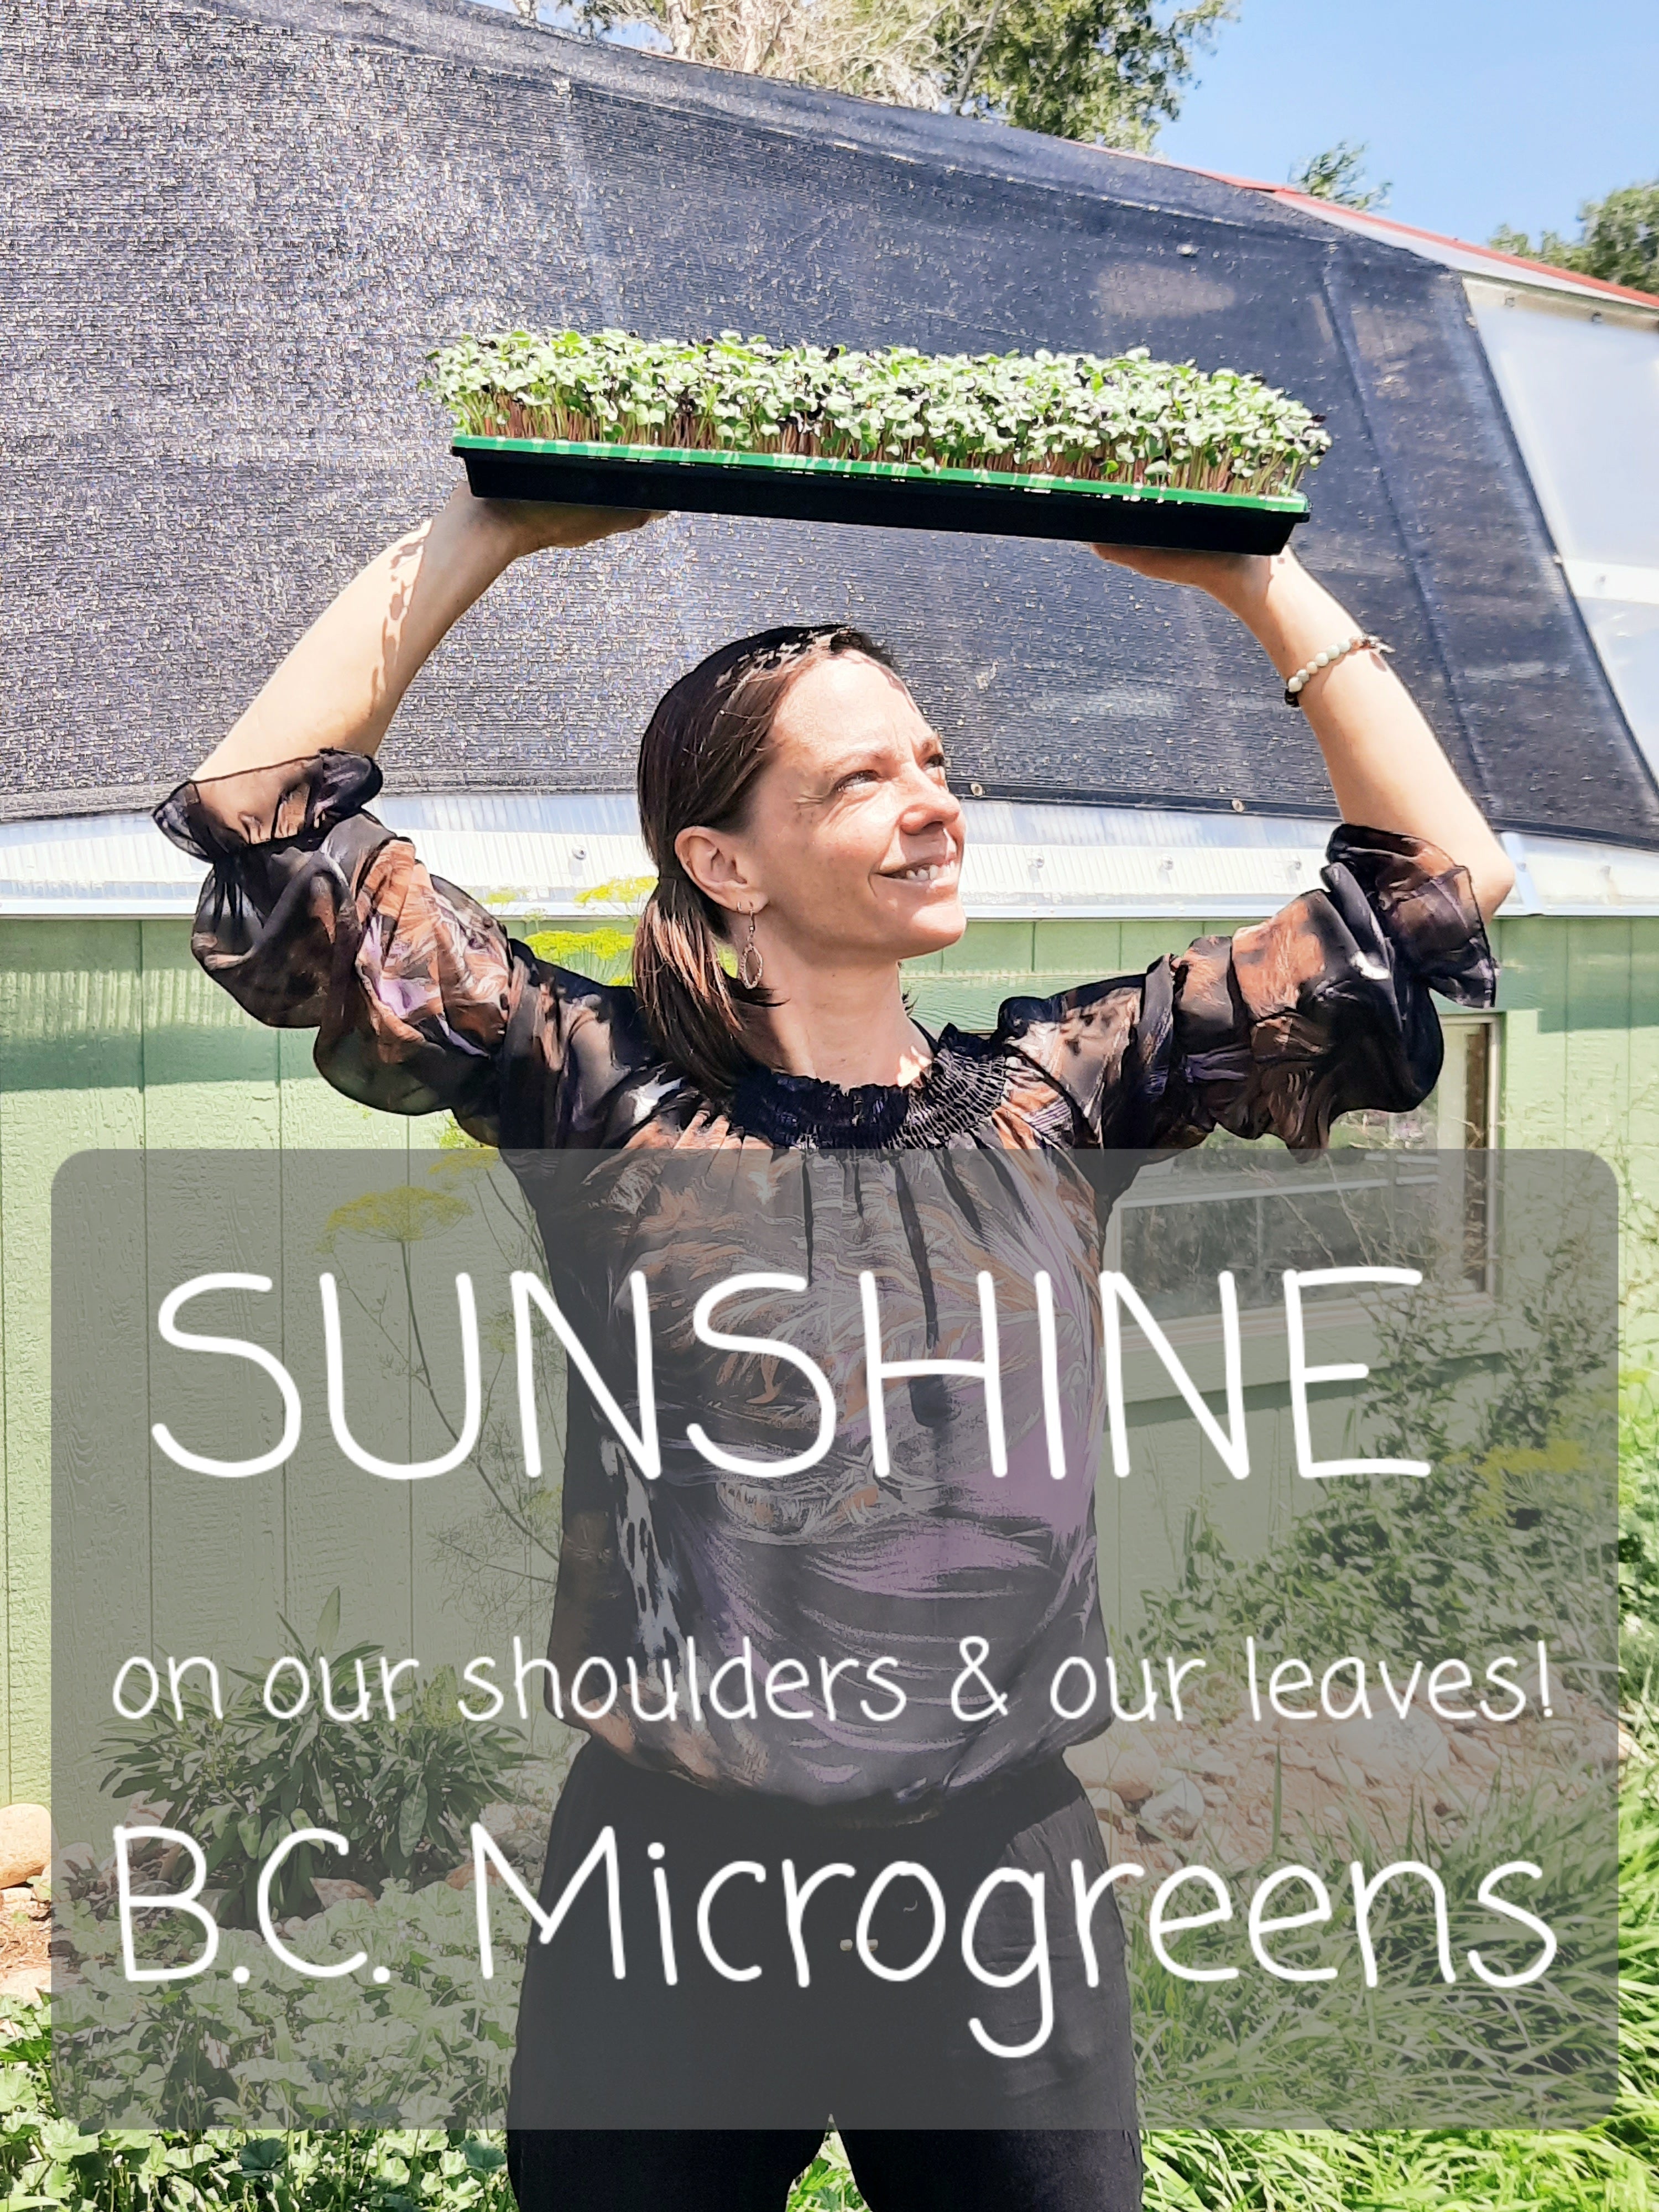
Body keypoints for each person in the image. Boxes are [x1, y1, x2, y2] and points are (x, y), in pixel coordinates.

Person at [156, 487, 1512, 2212]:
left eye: (934, 761)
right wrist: (488, 534)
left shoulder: (1066, 1094)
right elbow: (265, 826)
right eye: (861, 777)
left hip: (992, 1879)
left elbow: (1444, 893)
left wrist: (1258, 581)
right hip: (672, 1889)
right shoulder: (602, 1095)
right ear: (724, 861)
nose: (933, 802)